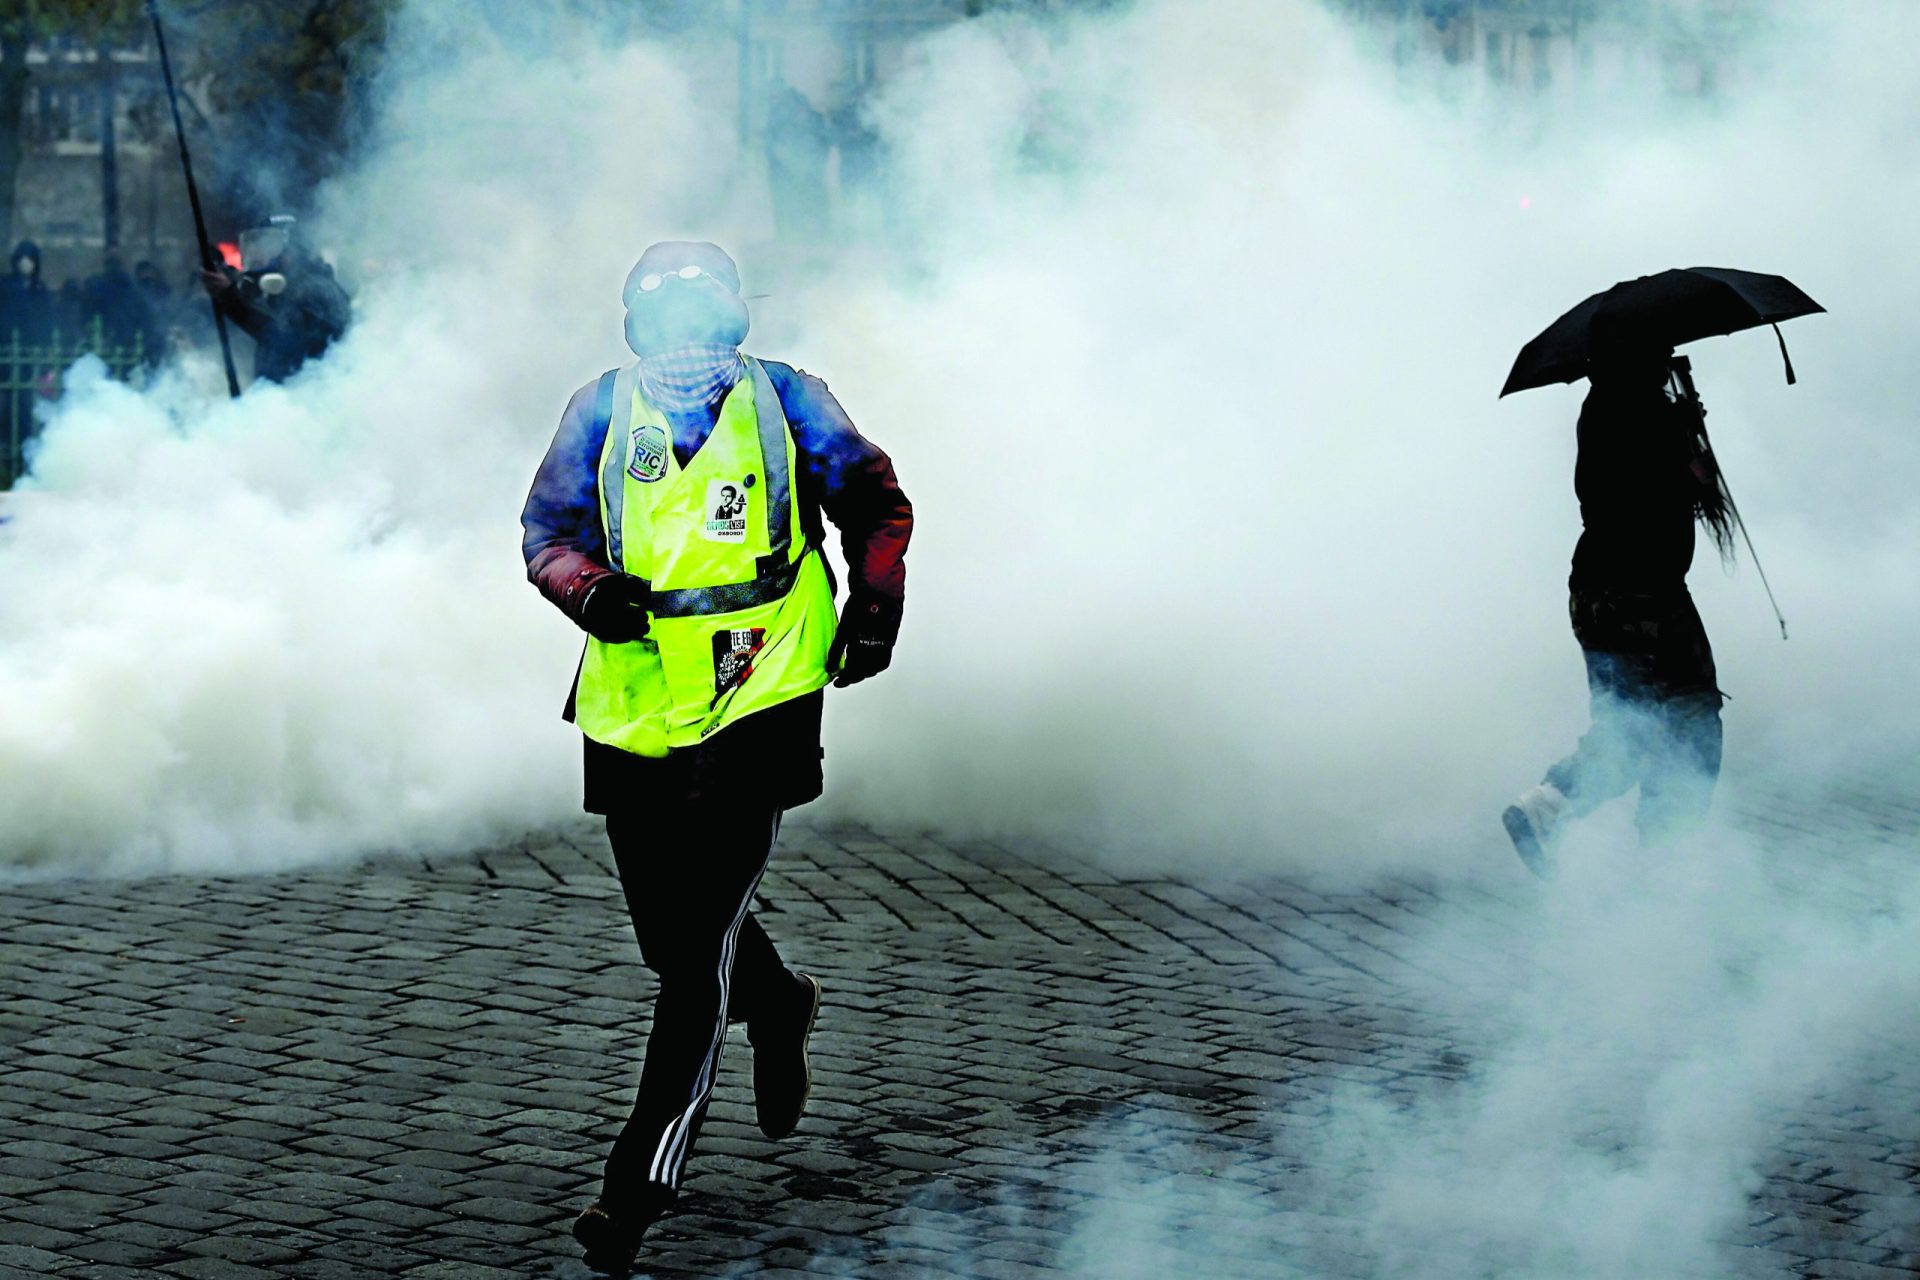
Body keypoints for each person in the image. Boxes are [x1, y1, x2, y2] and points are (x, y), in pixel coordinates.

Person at [520, 240, 911, 1274]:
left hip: (765, 688)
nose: (686, 349)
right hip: (636, 703)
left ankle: (634, 1188)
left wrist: (872, 608)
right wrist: (585, 588)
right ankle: (780, 1003)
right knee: (669, 932)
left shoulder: (788, 402)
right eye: (666, 328)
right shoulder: (600, 411)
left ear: (735, 327)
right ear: (634, 334)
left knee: (695, 955)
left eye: (707, 325)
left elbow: (875, 504)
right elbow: (545, 531)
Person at [1503, 326, 1728, 875]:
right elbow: (1696, 486)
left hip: (1601, 589)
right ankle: (1663, 852)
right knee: (1689, 718)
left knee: (1630, 722)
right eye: (1658, 350)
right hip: (1645, 593)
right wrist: (1689, 436)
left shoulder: (1605, 406)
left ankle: (1548, 807)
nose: (1668, 357)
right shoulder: (1644, 413)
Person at [198, 216, 351, 383]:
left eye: (268, 246)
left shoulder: (316, 289)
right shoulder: (286, 290)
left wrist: (230, 296)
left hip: (312, 397)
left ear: (294, 249)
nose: (258, 254)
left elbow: (282, 335)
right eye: (253, 246)